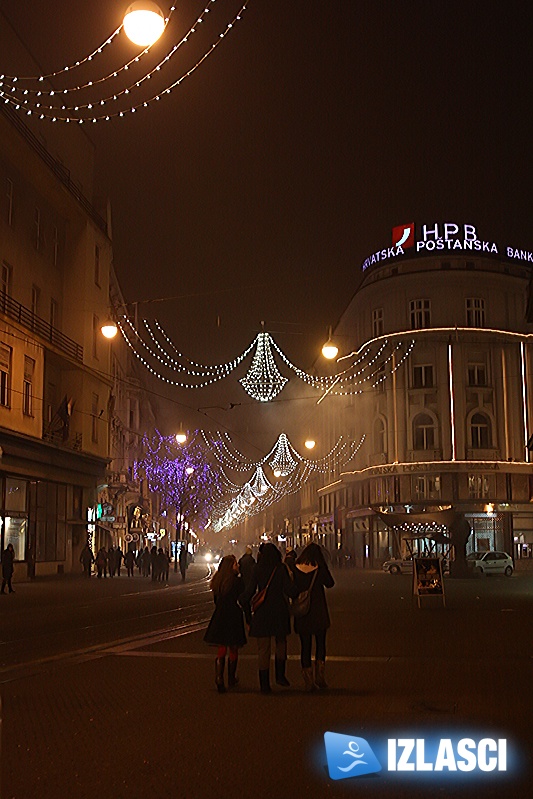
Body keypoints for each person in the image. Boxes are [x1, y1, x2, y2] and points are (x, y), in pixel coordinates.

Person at [241, 542, 298, 693]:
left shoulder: (257, 569)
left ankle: (264, 684)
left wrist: (241, 601)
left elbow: (249, 592)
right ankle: (280, 675)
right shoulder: (280, 569)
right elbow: (290, 590)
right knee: (281, 643)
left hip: (263, 612)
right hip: (279, 610)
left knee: (263, 649)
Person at [293, 542, 335, 691]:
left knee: (305, 646)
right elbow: (330, 583)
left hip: (303, 613)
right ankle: (320, 677)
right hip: (318, 611)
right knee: (320, 645)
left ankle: (308, 680)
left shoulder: (296, 568)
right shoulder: (319, 568)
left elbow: (292, 589)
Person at [204, 555, 247, 693]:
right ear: (231, 566)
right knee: (233, 647)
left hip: (220, 615)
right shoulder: (237, 582)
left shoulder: (217, 581)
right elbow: (242, 598)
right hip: (233, 615)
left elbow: (216, 600)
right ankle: (231, 678)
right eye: (235, 564)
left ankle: (219, 678)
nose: (238, 566)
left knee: (221, 646)